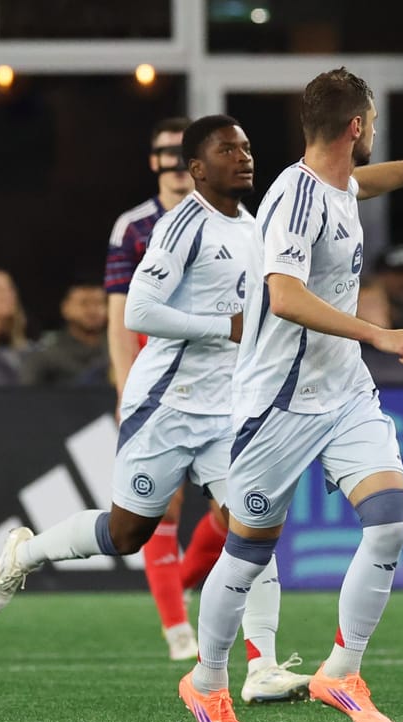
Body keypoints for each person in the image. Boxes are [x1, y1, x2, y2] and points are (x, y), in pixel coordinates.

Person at [176, 67, 403, 722]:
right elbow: (286, 294)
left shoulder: (337, 181)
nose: (373, 131)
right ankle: (206, 681)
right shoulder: (293, 198)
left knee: (389, 525)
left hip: (344, 393)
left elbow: (364, 182)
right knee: (245, 550)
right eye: (372, 121)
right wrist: (378, 332)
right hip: (279, 403)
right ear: (357, 126)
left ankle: (342, 671)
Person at [0, 115, 312, 706]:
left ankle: (261, 667)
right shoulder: (179, 226)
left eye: (247, 146)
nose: (243, 157)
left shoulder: (256, 227)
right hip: (164, 405)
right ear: (197, 169)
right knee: (125, 532)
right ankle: (24, 553)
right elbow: (139, 310)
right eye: (226, 149)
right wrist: (224, 327)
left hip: (225, 410)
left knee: (254, 522)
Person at [104, 116, 227, 661]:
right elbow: (119, 317)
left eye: (184, 153)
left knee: (233, 511)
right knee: (164, 505)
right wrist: (127, 389)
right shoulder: (134, 227)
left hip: (219, 382)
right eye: (166, 153)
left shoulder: (228, 220)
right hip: (160, 382)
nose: (175, 164)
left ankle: (174, 586)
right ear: (154, 161)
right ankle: (179, 630)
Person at [20, 280, 109, 387]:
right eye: (84, 303)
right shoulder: (48, 353)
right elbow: (26, 394)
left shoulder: (117, 351)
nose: (93, 310)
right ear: (65, 308)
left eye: (99, 303)